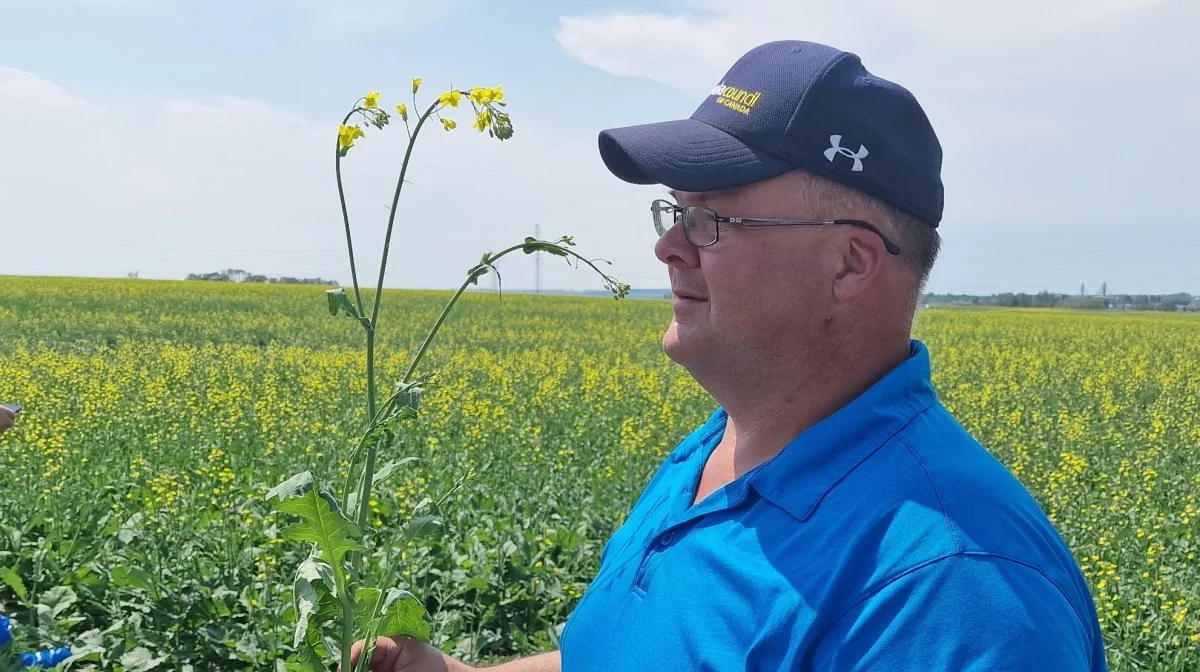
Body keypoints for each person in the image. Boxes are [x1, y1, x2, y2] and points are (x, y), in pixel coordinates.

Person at [349, 39, 1109, 671]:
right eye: (676, 211)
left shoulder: (952, 601)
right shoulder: (723, 449)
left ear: (850, 264)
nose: (668, 246)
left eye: (713, 219)